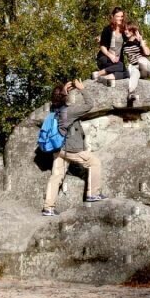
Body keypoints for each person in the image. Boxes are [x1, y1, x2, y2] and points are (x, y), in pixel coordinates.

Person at [42, 79, 107, 216]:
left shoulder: (54, 109)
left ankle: (48, 208)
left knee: (56, 177)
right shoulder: (69, 111)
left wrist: (64, 90)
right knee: (94, 162)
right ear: (65, 96)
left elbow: (59, 99)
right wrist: (82, 88)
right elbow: (89, 105)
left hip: (57, 149)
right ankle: (93, 194)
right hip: (70, 149)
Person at [122, 23, 150, 102]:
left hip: (143, 68)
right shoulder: (125, 44)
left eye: (128, 30)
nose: (126, 31)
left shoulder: (139, 41)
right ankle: (131, 92)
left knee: (142, 59)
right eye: (125, 29)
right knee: (134, 73)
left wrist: (141, 43)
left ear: (133, 31)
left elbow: (147, 53)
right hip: (134, 67)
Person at [90, 7, 129, 83]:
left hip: (117, 62)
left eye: (121, 16)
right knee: (120, 66)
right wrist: (111, 56)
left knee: (127, 73)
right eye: (118, 16)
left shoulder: (124, 31)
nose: (120, 18)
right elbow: (102, 46)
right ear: (113, 17)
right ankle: (99, 73)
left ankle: (105, 77)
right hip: (105, 58)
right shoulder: (107, 29)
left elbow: (129, 43)